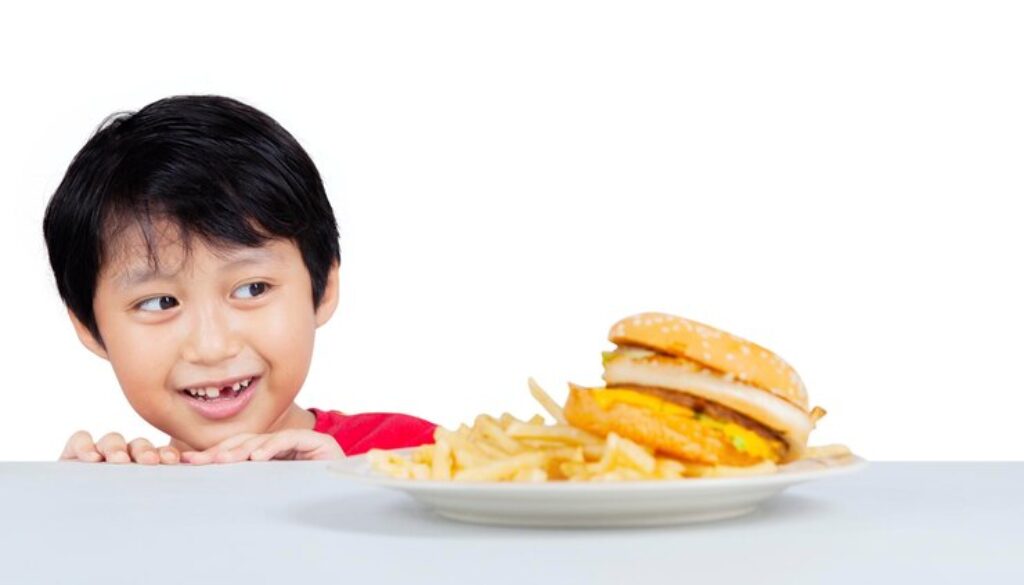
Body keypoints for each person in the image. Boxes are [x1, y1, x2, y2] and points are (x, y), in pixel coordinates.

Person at [42, 95, 437, 464]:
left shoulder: (417, 458)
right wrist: (69, 503)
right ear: (88, 326)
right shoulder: (119, 489)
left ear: (324, 287)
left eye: (252, 289)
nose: (212, 348)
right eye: (161, 302)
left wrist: (351, 491)